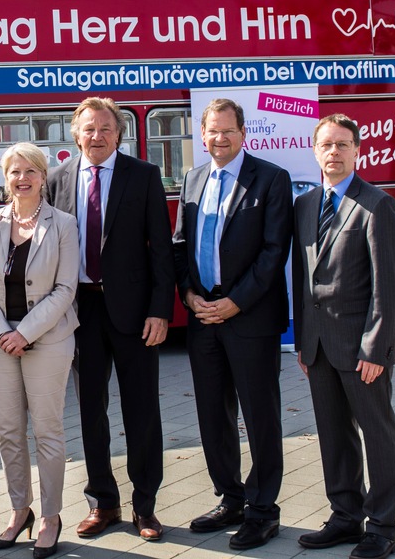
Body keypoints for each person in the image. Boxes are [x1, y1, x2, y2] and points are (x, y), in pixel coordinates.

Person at [46, 97, 175, 542]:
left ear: (118, 133)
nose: (96, 136)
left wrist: (161, 310)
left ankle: (145, 506)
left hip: (136, 313)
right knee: (89, 411)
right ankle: (102, 501)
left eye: (105, 128)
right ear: (75, 133)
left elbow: (162, 247)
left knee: (142, 411)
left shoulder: (143, 175)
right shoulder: (57, 179)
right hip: (80, 311)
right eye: (88, 128)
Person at [171, 98, 292, 550]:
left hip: (249, 318)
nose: (219, 139)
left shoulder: (271, 178)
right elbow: (180, 244)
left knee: (260, 416)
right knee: (213, 415)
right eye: (212, 131)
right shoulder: (193, 178)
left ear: (244, 133)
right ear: (201, 135)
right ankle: (230, 497)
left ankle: (263, 511)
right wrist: (189, 294)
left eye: (228, 131)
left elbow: (273, 251)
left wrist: (235, 303)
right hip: (203, 317)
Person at [292, 114, 395, 559]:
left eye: (342, 144)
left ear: (358, 150)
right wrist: (304, 340)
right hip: (319, 347)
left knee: (378, 436)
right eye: (326, 144)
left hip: (363, 349)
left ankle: (382, 526)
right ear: (315, 150)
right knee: (333, 435)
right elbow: (305, 280)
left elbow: (389, 285)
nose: (333, 152)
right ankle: (344, 516)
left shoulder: (377, 205)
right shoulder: (305, 205)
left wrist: (376, 348)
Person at [0, 143, 79, 559]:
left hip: (48, 340)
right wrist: (2, 333)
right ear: (5, 178)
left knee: (48, 432)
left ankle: (51, 518)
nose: (22, 178)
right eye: (14, 171)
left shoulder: (64, 224)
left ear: (43, 175)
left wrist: (26, 333)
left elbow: (65, 288)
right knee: (8, 433)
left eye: (30, 171)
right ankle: (20, 511)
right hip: (2, 342)